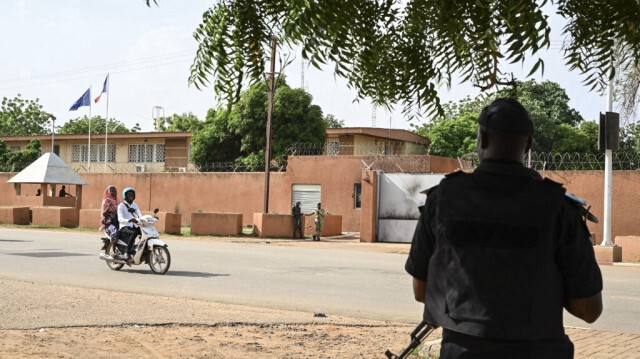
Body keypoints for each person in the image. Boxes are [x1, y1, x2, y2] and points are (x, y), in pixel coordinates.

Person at [405, 98, 603, 358]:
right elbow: (589, 310)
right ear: (528, 144)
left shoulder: (442, 199)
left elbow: (422, 291)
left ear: (482, 139)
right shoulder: (559, 208)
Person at [117, 187, 142, 259]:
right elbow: (120, 219)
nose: (131, 196)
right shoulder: (121, 206)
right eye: (129, 194)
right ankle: (126, 252)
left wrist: (143, 219)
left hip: (134, 225)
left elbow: (140, 215)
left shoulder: (135, 205)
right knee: (134, 233)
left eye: (132, 194)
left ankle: (139, 249)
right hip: (124, 227)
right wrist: (129, 220)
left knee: (145, 232)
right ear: (125, 196)